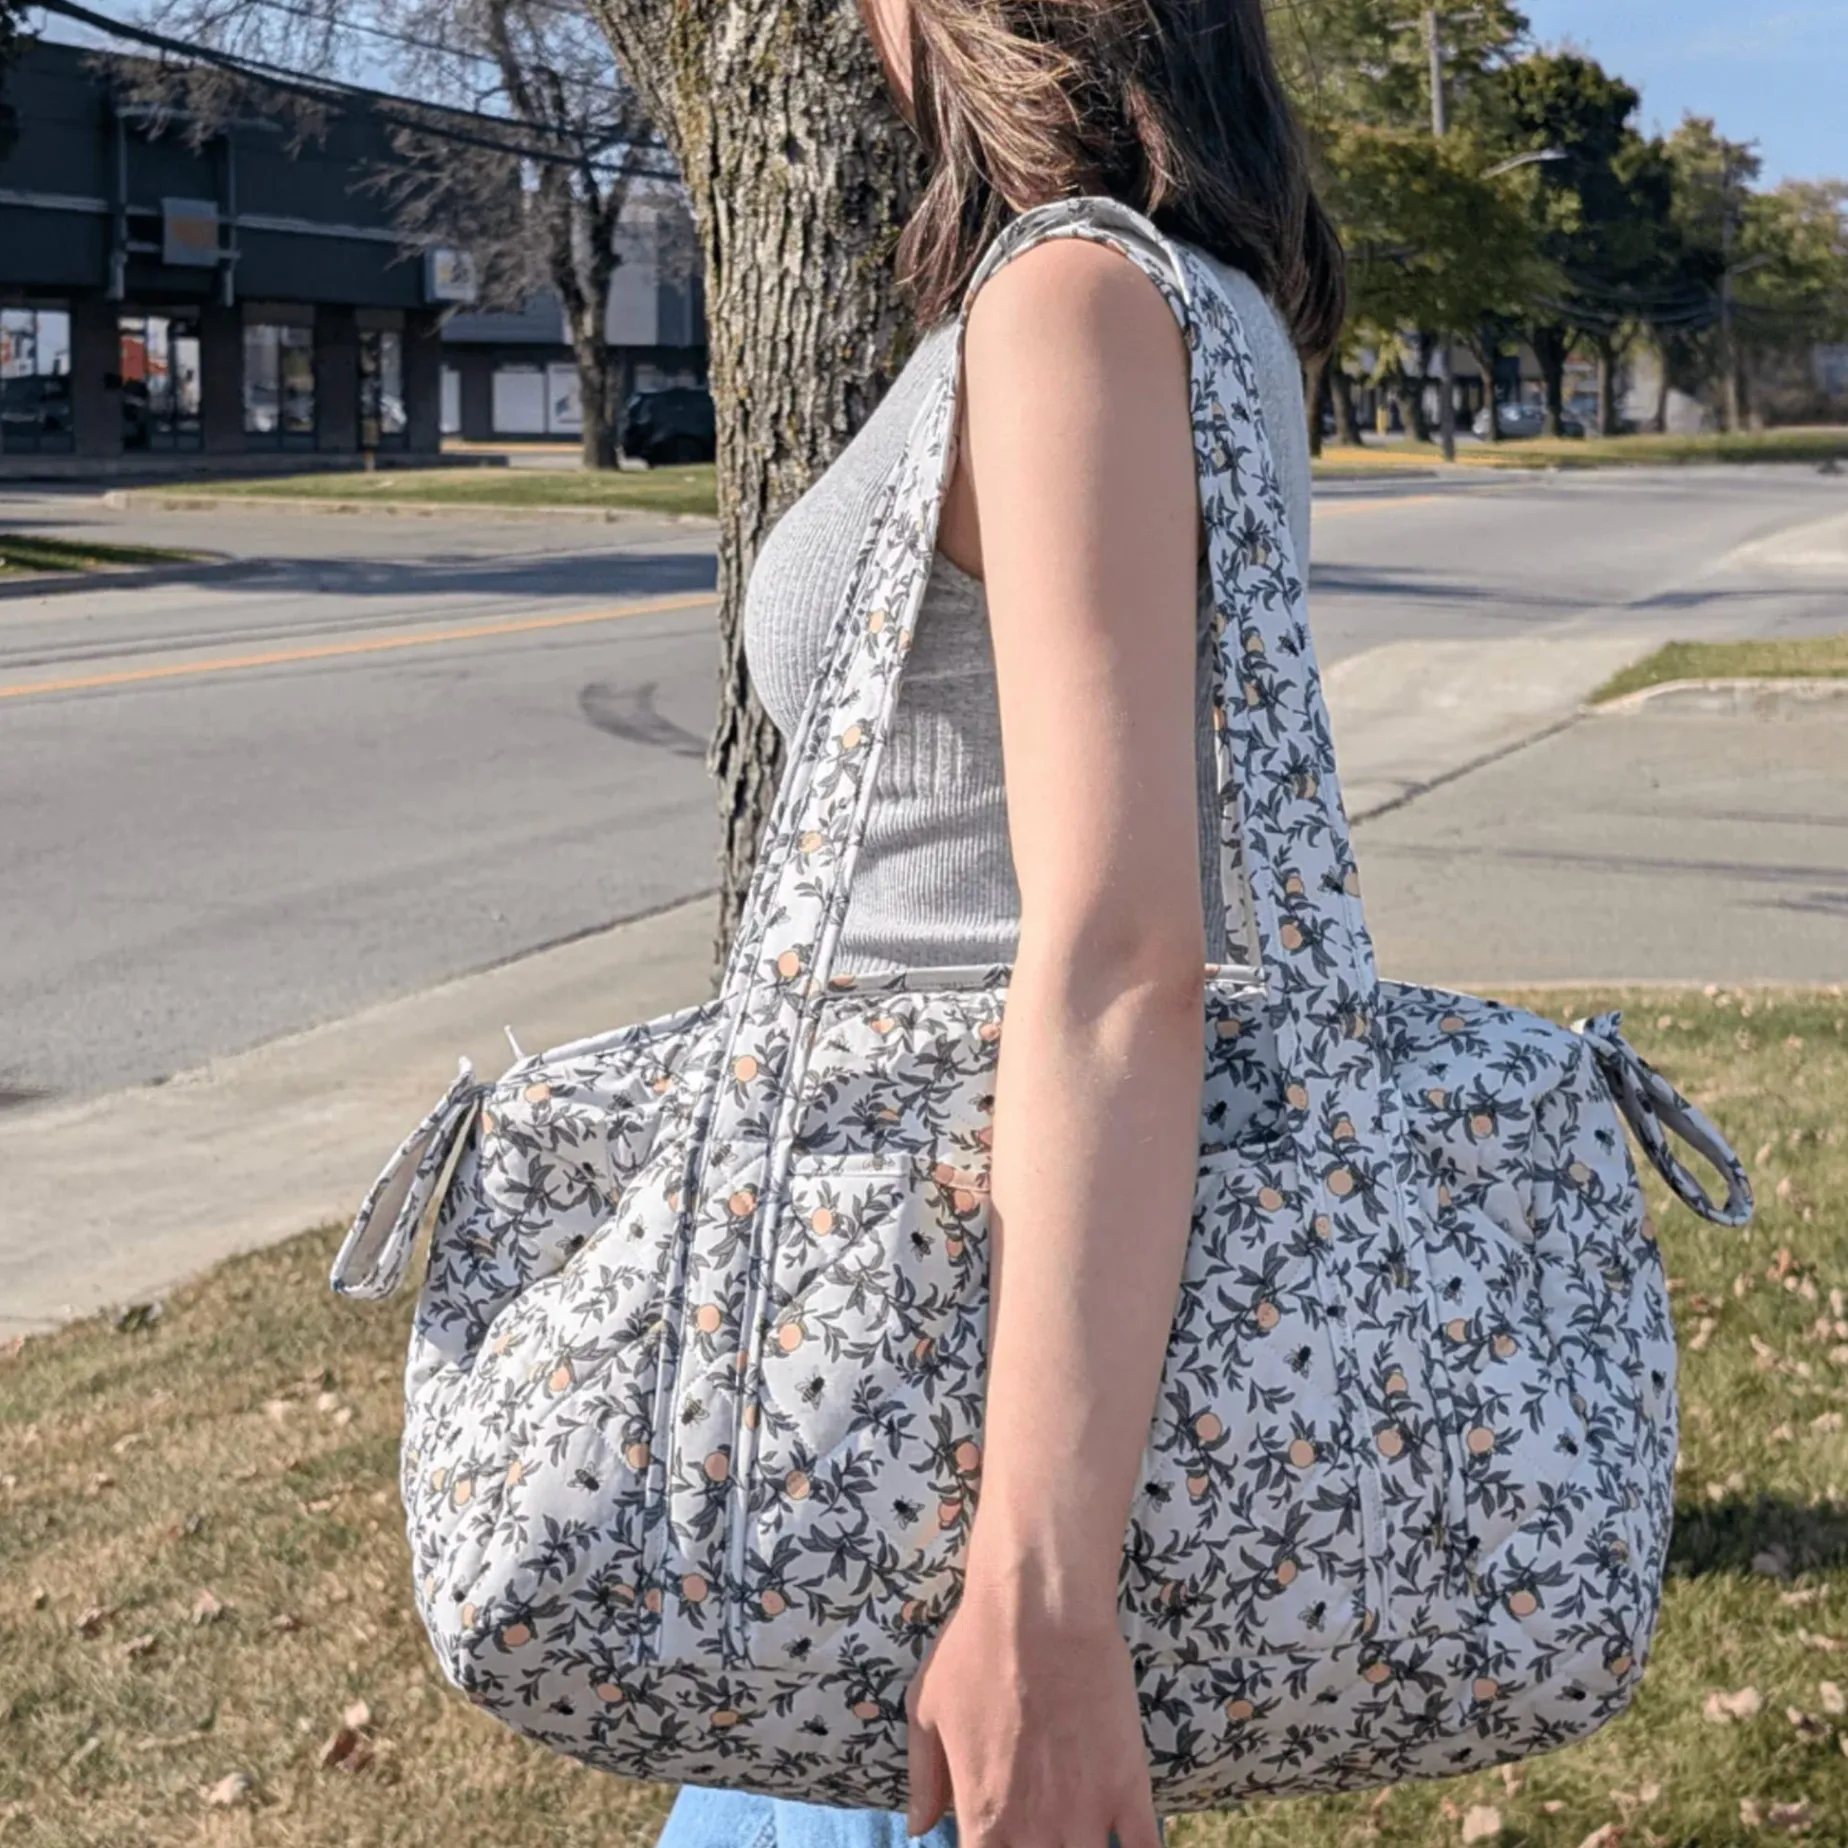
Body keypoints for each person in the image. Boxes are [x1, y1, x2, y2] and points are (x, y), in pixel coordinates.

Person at [659, 2, 1343, 1844]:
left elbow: (1124, 954)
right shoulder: (1187, 305)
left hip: (937, 1389)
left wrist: (1037, 1597)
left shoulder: (1077, 306)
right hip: (967, 1358)